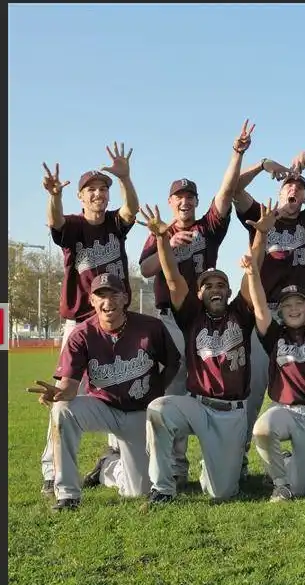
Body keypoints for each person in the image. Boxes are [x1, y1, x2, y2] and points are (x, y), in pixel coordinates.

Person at [136, 120, 249, 484]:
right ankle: (174, 466)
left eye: (190, 197)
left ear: (197, 202)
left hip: (206, 319)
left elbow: (227, 191)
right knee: (175, 387)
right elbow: (145, 268)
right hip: (171, 317)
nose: (185, 202)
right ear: (170, 202)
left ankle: (216, 459)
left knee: (211, 382)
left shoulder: (208, 227)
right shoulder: (160, 231)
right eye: (178, 197)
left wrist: (237, 154)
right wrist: (166, 243)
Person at [231, 137, 305, 478]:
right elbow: (235, 190)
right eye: (289, 187)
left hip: (298, 313)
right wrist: (263, 164)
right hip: (263, 311)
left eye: (299, 188)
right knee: (251, 388)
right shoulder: (261, 215)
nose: (293, 192)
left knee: (304, 385)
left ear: (304, 196)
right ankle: (239, 456)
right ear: (280, 192)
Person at [139, 197, 262, 504]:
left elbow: (254, 268)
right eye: (207, 285)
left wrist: (262, 233)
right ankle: (163, 487)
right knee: (158, 410)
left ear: (229, 291)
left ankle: (215, 466)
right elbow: (170, 277)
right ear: (198, 293)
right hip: (197, 406)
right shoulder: (190, 316)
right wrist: (162, 239)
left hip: (232, 413)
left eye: (221, 284)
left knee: (221, 492)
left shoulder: (241, 313)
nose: (215, 289)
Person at [27, 273, 180, 511]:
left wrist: (156, 390)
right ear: (92, 300)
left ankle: (108, 466)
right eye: (101, 295)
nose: (108, 301)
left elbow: (173, 363)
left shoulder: (150, 327)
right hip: (102, 406)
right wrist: (58, 394)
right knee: (62, 411)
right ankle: (67, 494)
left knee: (137, 489)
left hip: (138, 411)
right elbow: (69, 385)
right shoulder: (82, 334)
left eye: (114, 294)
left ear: (125, 298)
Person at [39, 142, 140, 496]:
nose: (98, 194)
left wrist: (124, 178)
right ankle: (53, 470)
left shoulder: (114, 222)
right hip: (81, 322)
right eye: (91, 190)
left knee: (120, 384)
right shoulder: (75, 226)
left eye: (103, 189)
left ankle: (113, 456)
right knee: (65, 396)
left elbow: (132, 209)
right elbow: (55, 221)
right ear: (81, 197)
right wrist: (55, 197)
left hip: (116, 319)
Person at [249, 231, 305, 501]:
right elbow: (260, 308)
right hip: (285, 411)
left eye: (298, 303)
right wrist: (253, 273)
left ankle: (288, 464)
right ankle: (280, 483)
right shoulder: (275, 336)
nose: (293, 308)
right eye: (287, 304)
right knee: (262, 429)